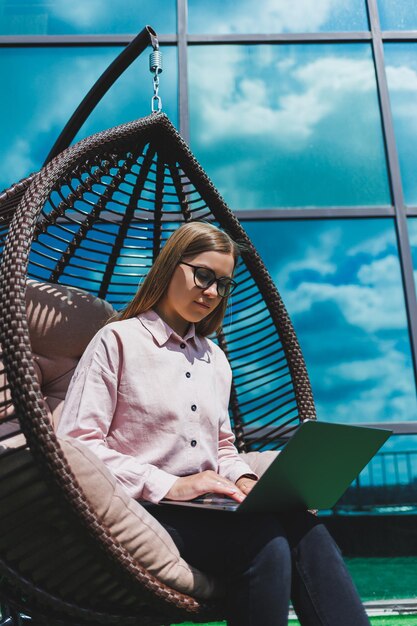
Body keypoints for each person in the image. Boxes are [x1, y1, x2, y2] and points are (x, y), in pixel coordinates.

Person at [57, 221, 370, 626]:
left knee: (305, 529)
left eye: (223, 284)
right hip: (143, 509)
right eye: (203, 276)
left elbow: (222, 448)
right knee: (264, 542)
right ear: (171, 266)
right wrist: (173, 484)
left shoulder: (215, 360)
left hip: (209, 510)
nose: (211, 293)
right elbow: (77, 446)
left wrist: (242, 480)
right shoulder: (116, 341)